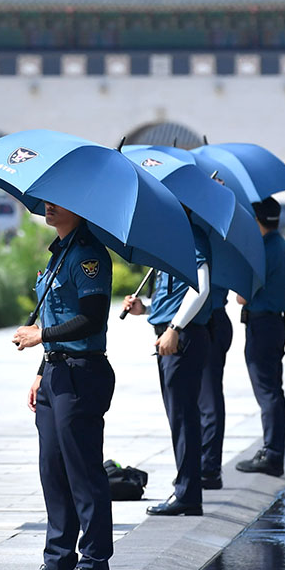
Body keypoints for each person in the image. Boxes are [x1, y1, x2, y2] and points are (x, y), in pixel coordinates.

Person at [9, 201, 116, 570]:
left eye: (60, 203)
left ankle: (95, 564)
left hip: (82, 374)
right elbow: (56, 315)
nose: (49, 208)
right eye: (47, 203)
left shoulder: (88, 256)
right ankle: (58, 560)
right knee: (52, 470)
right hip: (56, 372)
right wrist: (41, 371)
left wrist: (42, 336)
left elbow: (93, 317)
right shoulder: (60, 252)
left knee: (83, 472)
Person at [123, 218, 212, 517]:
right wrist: (145, 307)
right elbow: (169, 293)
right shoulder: (171, 235)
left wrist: (174, 327)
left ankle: (187, 492)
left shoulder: (192, 237)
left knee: (184, 416)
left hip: (181, 338)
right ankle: (185, 488)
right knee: (178, 416)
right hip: (168, 333)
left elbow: (201, 287)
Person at [234, 197, 285, 478]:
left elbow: (242, 296)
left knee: (267, 392)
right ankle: (275, 451)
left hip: (262, 325)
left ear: (257, 221)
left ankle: (271, 454)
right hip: (277, 324)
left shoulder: (262, 250)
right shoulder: (282, 245)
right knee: (275, 390)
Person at [199, 285, 232, 491]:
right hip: (209, 319)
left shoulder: (203, 254)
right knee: (202, 400)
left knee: (208, 400)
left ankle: (208, 469)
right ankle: (203, 466)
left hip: (209, 320)